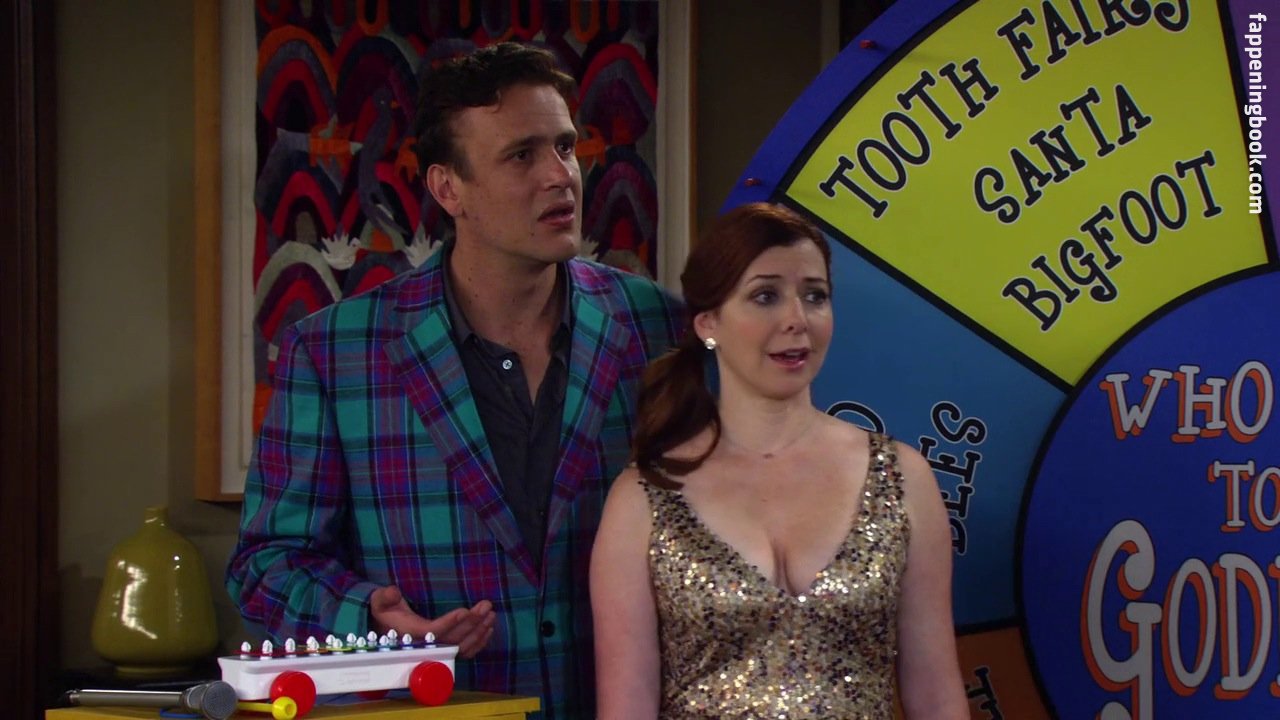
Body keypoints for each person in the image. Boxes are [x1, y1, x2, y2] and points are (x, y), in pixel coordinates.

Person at [226, 42, 683, 720]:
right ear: (448, 189)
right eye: (522, 156)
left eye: (564, 147)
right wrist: (370, 614)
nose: (560, 176)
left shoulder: (658, 327)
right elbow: (266, 565)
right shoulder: (334, 352)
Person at [590, 203, 968, 718]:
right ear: (708, 323)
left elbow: (936, 695)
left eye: (815, 296)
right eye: (766, 296)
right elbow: (626, 706)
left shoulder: (901, 477)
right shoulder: (643, 497)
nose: (796, 320)